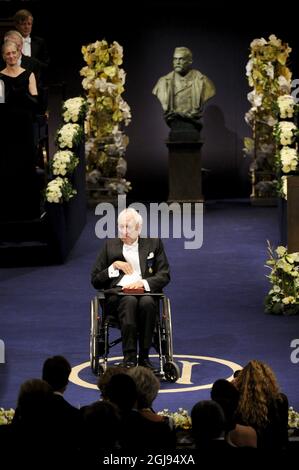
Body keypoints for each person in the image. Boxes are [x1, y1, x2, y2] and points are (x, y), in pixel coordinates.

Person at [91, 207, 170, 369]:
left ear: (139, 228)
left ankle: (144, 357)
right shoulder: (109, 246)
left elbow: (164, 275)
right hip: (117, 297)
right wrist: (113, 267)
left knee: (147, 303)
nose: (124, 232)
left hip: (146, 293)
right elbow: (95, 280)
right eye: (121, 227)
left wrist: (143, 283)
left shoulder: (154, 243)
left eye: (128, 227)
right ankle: (129, 358)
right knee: (129, 301)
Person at [0, 40, 40, 221]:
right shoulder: (0, 78)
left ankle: (29, 211)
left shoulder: (29, 74)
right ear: (3, 56)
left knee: (26, 165)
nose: (11, 56)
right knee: (9, 166)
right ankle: (10, 212)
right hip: (7, 128)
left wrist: (24, 97)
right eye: (7, 54)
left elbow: (36, 102)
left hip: (25, 126)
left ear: (18, 54)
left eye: (13, 53)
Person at [152, 46, 216, 133]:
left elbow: (210, 92)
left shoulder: (203, 82)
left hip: (193, 129)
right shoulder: (163, 83)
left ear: (190, 61)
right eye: (175, 59)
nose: (177, 62)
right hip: (175, 127)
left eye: (181, 59)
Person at [13, 9, 50, 81]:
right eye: (23, 24)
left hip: (35, 81)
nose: (27, 27)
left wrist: (32, 63)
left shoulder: (40, 42)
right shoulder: (9, 42)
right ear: (16, 25)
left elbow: (46, 64)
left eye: (29, 24)